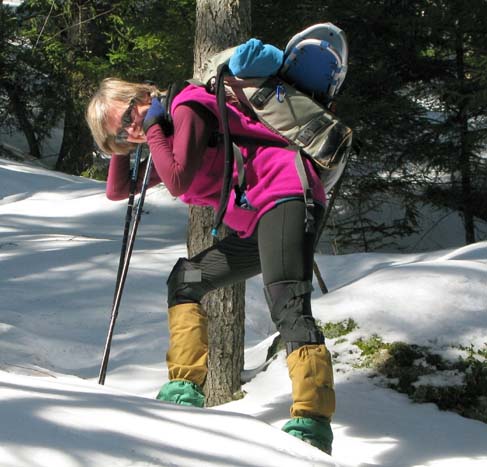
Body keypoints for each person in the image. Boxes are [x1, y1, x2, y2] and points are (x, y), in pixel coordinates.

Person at [85, 40, 336, 455]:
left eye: (131, 112)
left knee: (288, 301)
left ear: (145, 95)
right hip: (258, 227)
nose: (132, 127)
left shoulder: (188, 107)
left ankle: (312, 418)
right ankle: (184, 386)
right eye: (120, 129)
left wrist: (149, 125)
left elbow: (179, 178)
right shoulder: (161, 137)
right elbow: (119, 190)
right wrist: (125, 146)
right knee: (187, 279)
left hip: (286, 197)